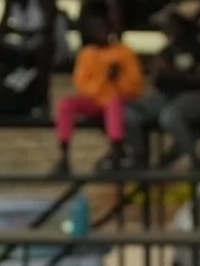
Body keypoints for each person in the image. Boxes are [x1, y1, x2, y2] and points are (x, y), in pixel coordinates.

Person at [125, 10, 200, 169]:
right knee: (131, 112)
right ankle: (139, 161)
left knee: (169, 117)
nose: (168, 30)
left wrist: (172, 72)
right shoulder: (165, 51)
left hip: (195, 96)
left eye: (171, 26)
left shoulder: (198, 48)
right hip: (167, 96)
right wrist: (158, 72)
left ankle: (195, 160)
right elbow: (154, 81)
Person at [53, 18, 143, 174]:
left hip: (118, 101)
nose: (102, 33)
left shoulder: (124, 52)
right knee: (65, 103)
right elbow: (82, 86)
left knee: (114, 104)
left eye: (104, 29)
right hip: (94, 102)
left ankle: (117, 153)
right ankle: (63, 157)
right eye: (97, 30)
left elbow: (135, 87)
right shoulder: (86, 54)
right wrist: (104, 78)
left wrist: (117, 80)